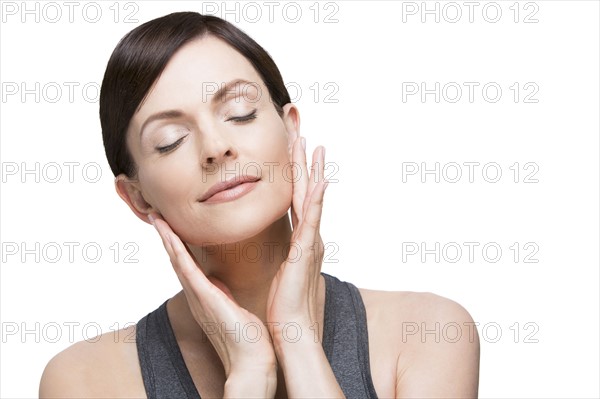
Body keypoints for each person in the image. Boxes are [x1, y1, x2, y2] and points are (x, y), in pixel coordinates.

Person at [39, 11, 480, 398]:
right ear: (136, 196)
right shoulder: (85, 379)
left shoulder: (429, 333)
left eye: (240, 113)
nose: (215, 147)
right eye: (170, 141)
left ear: (291, 130)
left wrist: (298, 338)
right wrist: (249, 376)